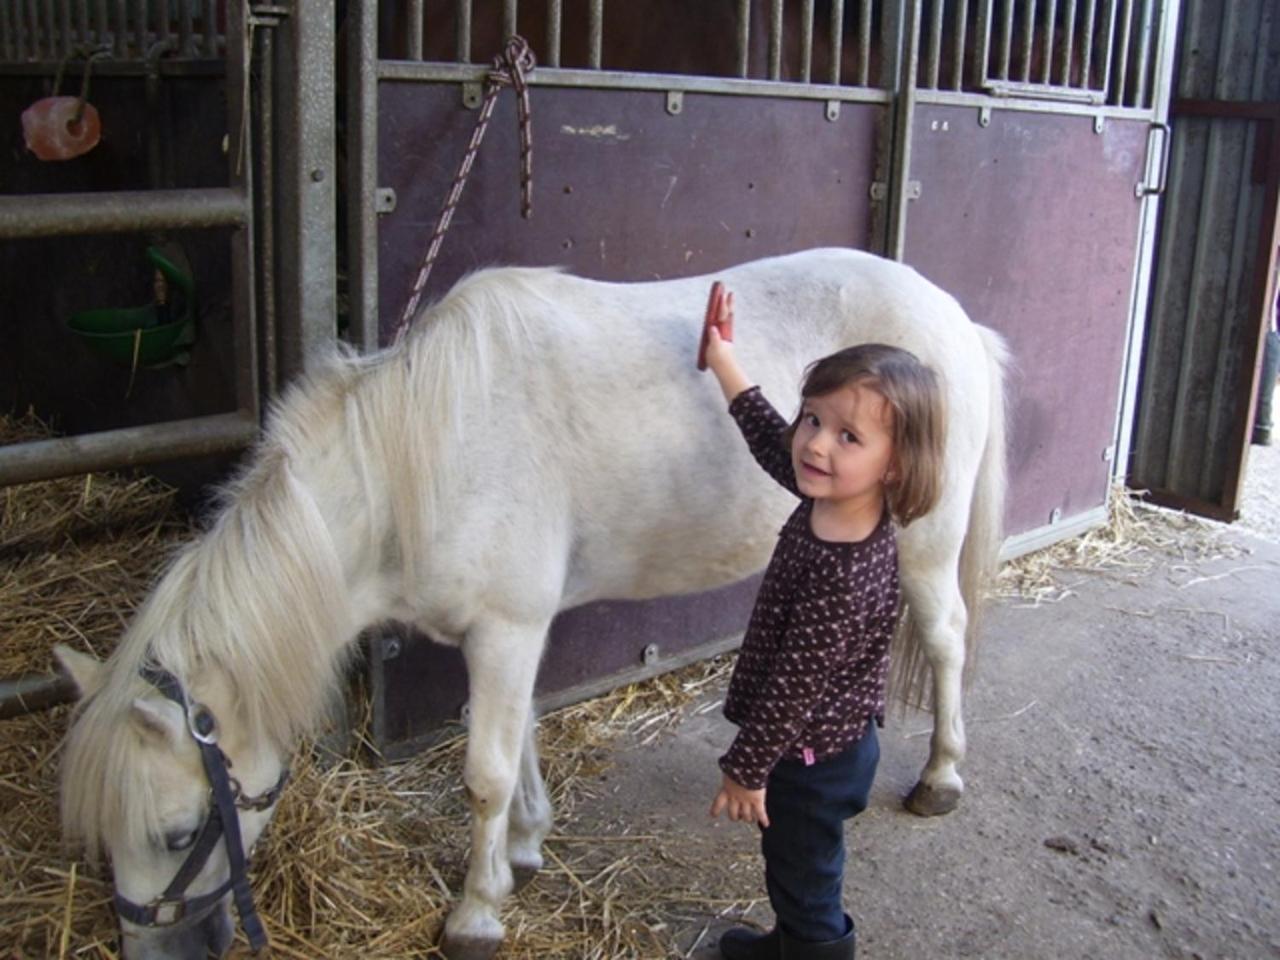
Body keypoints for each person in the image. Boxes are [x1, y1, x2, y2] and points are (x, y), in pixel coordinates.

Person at [699, 285, 945, 960]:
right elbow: (770, 442)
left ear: (894, 464)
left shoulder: (842, 574)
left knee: (806, 879)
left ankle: (810, 948)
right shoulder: (839, 497)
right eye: (813, 419)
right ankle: (790, 944)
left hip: (812, 757)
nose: (815, 444)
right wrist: (723, 359)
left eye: (847, 435)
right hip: (825, 740)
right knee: (795, 870)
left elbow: (792, 689)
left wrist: (746, 771)